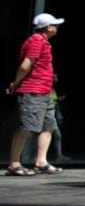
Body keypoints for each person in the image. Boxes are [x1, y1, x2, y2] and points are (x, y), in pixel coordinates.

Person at [5, 13, 65, 176]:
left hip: (45, 91)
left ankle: (41, 162)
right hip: (33, 90)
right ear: (48, 27)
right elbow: (26, 65)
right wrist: (15, 84)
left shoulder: (43, 42)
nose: (57, 28)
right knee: (26, 127)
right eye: (55, 25)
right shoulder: (36, 41)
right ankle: (14, 164)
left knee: (48, 126)